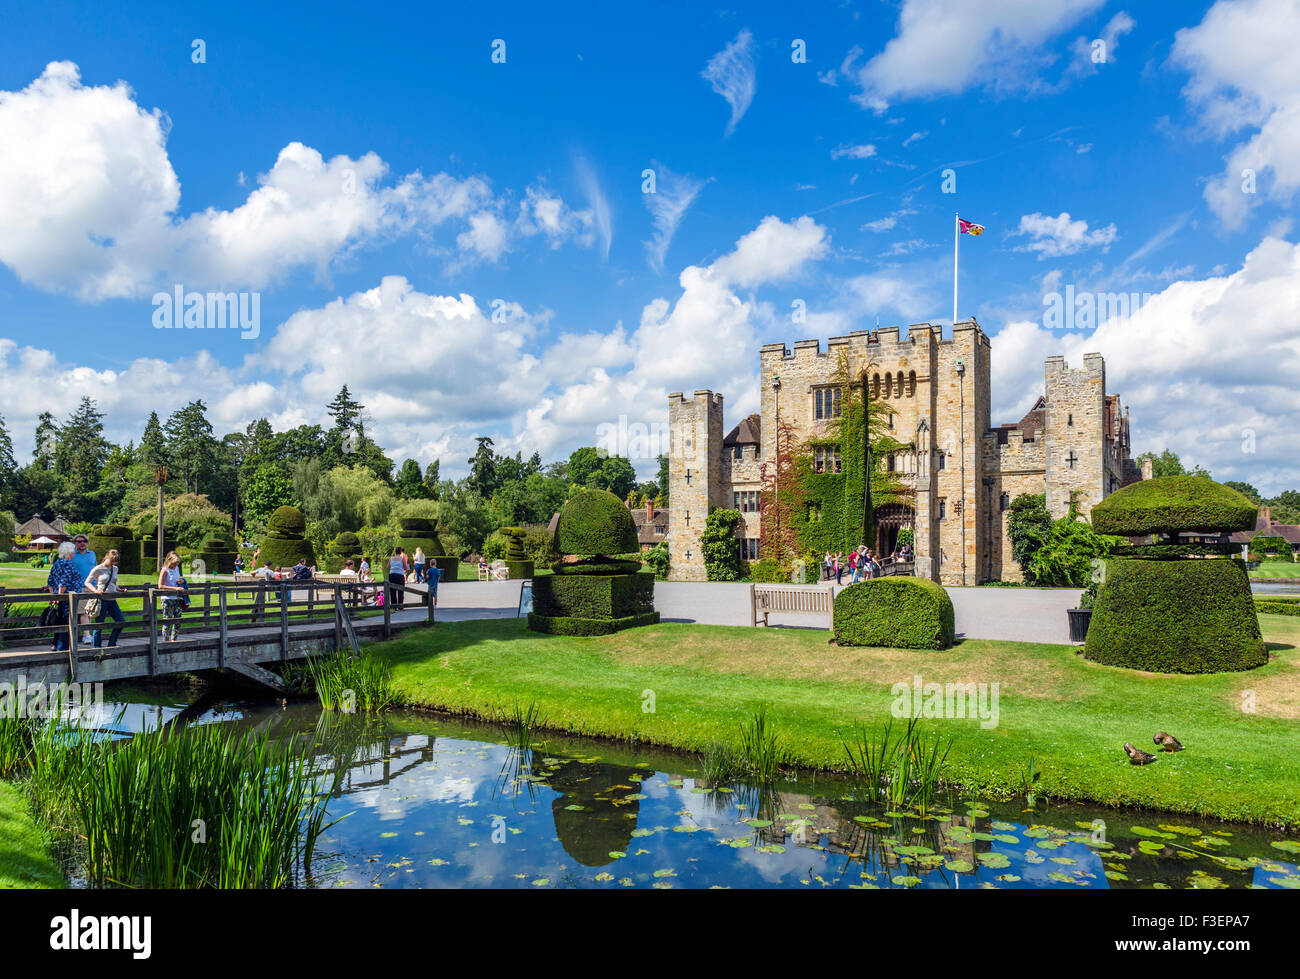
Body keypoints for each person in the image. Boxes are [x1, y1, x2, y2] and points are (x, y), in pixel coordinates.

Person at [45, 541, 82, 652]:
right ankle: (63, 648)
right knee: (67, 622)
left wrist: (54, 596)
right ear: (70, 553)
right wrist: (59, 597)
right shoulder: (68, 564)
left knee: (59, 621)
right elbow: (63, 582)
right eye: (73, 551)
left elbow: (50, 580)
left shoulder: (57, 563)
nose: (74, 553)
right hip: (67, 599)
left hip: (60, 597)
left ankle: (55, 645)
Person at [84, 549, 125, 648]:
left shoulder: (114, 568)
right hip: (101, 600)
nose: (113, 563)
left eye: (115, 561)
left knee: (121, 621)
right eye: (112, 560)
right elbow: (87, 582)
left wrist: (120, 589)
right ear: (106, 557)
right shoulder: (98, 569)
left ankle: (112, 644)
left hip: (112, 599)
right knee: (99, 626)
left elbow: (113, 583)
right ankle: (97, 648)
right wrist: (95, 590)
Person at [70, 533, 97, 643]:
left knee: (90, 612)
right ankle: (86, 636)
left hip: (92, 586)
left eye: (84, 541)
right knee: (83, 612)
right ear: (75, 543)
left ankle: (87, 634)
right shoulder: (72, 555)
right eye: (79, 541)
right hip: (78, 586)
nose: (82, 543)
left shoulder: (92, 554)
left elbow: (96, 569)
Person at [157, 551, 186, 642]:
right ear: (169, 561)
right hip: (167, 598)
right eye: (174, 563)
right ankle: (166, 641)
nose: (176, 564)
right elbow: (160, 586)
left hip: (177, 598)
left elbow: (177, 579)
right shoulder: (165, 570)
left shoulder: (176, 568)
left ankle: (174, 640)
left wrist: (181, 581)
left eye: (177, 563)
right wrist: (175, 588)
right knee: (167, 620)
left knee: (178, 620)